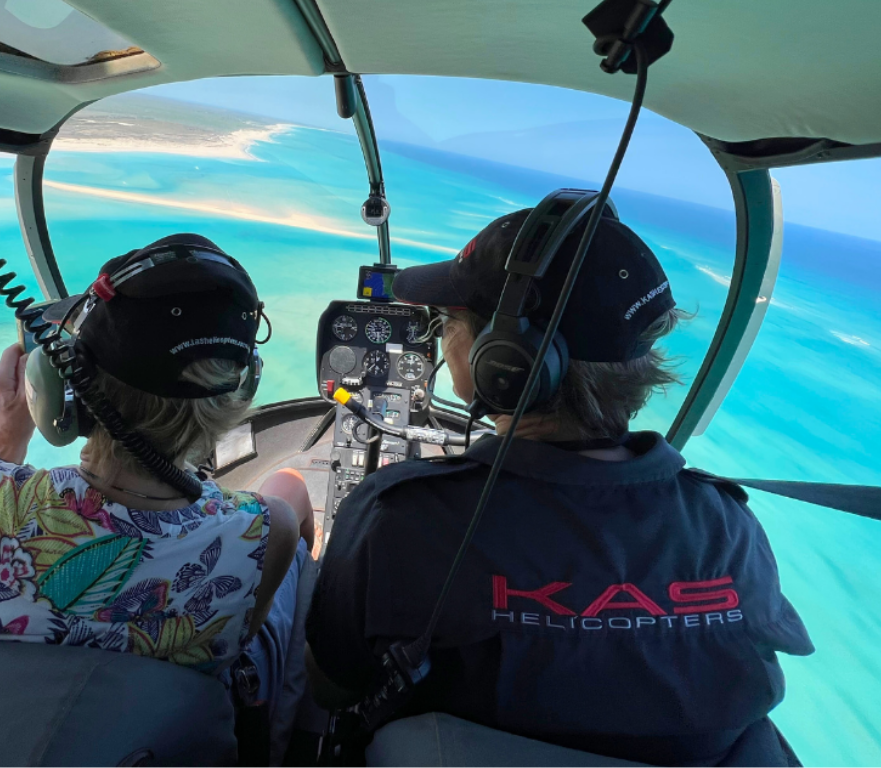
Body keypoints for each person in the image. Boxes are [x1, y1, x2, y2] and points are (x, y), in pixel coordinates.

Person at [304, 207, 814, 765]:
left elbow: (331, 689)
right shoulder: (728, 527)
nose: (441, 336)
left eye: (449, 319)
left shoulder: (398, 517)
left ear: (508, 361)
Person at [0, 234, 314, 697]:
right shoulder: (265, 534)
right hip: (149, 741)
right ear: (240, 394)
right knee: (289, 486)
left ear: (64, 388)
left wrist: (4, 443)